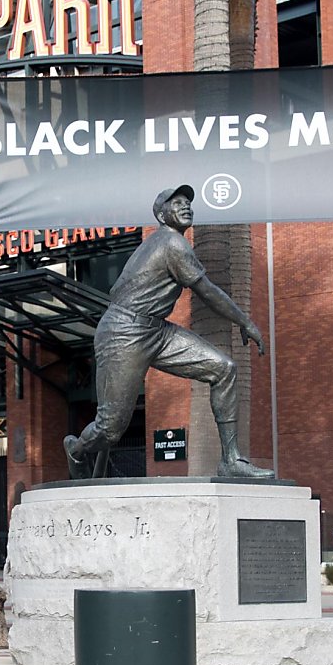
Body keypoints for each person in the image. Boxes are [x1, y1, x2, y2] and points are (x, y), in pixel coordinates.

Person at [64, 184, 273, 479]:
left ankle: (231, 459)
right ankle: (76, 449)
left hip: (157, 331)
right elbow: (207, 291)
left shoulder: (173, 243)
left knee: (223, 368)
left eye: (188, 202)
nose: (186, 206)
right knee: (109, 429)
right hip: (124, 331)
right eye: (176, 203)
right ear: (162, 215)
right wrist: (245, 321)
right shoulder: (170, 243)